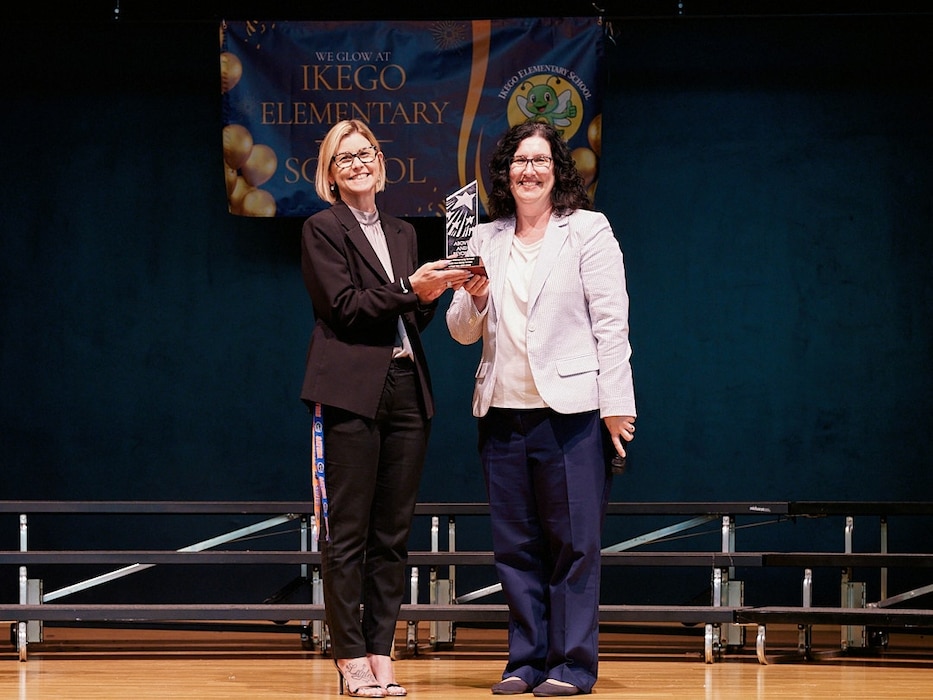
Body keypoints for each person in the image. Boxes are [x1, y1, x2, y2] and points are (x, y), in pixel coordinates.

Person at [446, 121, 636, 697]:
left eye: (540, 159)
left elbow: (611, 324)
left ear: (557, 169)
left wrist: (616, 406)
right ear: (505, 172)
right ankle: (525, 659)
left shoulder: (588, 231)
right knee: (515, 546)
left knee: (575, 544)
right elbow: (459, 331)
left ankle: (572, 665)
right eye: (519, 161)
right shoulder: (482, 237)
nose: (529, 170)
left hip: (572, 415)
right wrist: (474, 299)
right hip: (502, 412)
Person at [300, 119, 470, 698]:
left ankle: (380, 652)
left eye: (365, 152)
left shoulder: (401, 232)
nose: (357, 164)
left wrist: (440, 289)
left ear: (381, 160)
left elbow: (407, 316)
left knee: (392, 535)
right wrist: (411, 291)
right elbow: (345, 307)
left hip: (405, 388)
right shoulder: (321, 229)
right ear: (330, 173)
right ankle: (349, 658)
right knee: (347, 532)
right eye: (343, 158)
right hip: (350, 390)